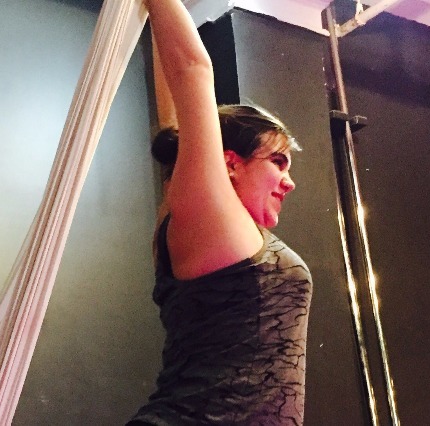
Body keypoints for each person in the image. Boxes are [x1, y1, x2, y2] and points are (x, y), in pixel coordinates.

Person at [129, 0, 313, 424]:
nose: (290, 182)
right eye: (278, 162)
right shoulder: (207, 219)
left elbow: (174, 118)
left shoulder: (206, 224)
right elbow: (192, 71)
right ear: (230, 163)